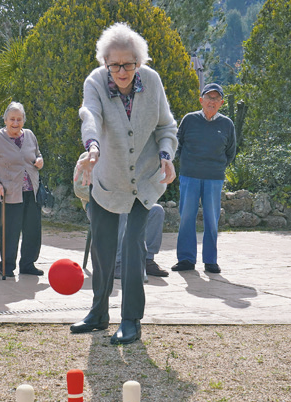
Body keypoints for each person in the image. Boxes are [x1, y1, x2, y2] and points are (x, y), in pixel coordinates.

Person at [72, 22, 178, 345]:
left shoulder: (152, 82)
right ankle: (99, 312)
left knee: (133, 243)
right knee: (103, 248)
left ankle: (131, 319)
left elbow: (166, 126)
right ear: (106, 62)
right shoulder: (95, 82)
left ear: (138, 62)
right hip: (106, 176)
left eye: (128, 64)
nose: (121, 70)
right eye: (114, 64)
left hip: (144, 180)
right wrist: (91, 147)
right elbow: (90, 114)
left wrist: (166, 154)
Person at [172, 82, 237, 274]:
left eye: (216, 98)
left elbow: (230, 152)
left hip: (214, 178)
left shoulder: (227, 124)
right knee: (186, 218)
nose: (212, 101)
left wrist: (216, 167)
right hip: (189, 176)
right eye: (209, 97)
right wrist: (186, 165)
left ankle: (210, 261)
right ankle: (185, 259)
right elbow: (178, 144)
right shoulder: (189, 119)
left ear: (221, 102)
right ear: (201, 100)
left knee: (211, 219)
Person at [0, 102, 45, 277]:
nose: (15, 123)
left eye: (19, 119)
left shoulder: (30, 135)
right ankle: (7, 266)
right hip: (8, 193)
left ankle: (28, 264)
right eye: (12, 119)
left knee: (32, 230)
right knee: (8, 231)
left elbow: (37, 154)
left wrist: (40, 161)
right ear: (5, 119)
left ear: (23, 120)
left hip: (32, 191)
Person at [115, 204, 168, 279]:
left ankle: (147, 260)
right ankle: (118, 263)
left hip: (132, 201)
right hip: (110, 204)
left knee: (157, 210)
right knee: (123, 211)